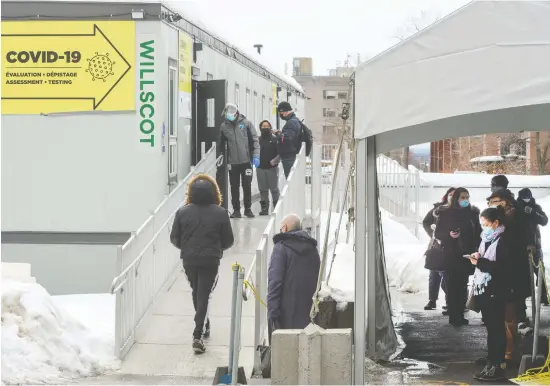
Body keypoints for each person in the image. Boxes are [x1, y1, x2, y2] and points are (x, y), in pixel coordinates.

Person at [169, 174, 234, 354]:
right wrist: (216, 249)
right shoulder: (221, 213)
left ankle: (203, 324)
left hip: (189, 259)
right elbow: (229, 240)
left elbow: (174, 237)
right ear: (214, 193)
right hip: (210, 259)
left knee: (197, 291)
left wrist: (187, 247)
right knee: (203, 294)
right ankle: (198, 333)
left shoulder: (182, 212)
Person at [487, 188, 531, 363]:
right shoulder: (494, 217)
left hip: (513, 270)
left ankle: (510, 352)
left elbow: (522, 238)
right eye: (492, 201)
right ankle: (498, 351)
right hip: (496, 270)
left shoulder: (516, 216)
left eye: (497, 201)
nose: (494, 204)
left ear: (506, 201)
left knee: (509, 313)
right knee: (496, 315)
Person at [469, 206, 512, 382]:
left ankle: (497, 364)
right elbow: (486, 259)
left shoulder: (504, 241)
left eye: (486, 224)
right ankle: (492, 360)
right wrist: (477, 257)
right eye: (482, 224)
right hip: (486, 290)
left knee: (496, 328)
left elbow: (502, 269)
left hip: (497, 290)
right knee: (491, 327)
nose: (484, 228)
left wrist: (480, 262)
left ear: (496, 223)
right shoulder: (487, 238)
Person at [434, 187, 481, 326]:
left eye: (467, 197)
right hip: (451, 253)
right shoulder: (446, 213)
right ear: (456, 198)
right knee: (453, 285)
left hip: (467, 254)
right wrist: (449, 235)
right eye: (462, 197)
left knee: (462, 285)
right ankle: (454, 315)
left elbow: (478, 231)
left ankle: (460, 312)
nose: (465, 200)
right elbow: (438, 233)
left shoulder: (472, 213)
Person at [267, 213, 320, 334]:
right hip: (309, 311)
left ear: (284, 228)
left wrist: (273, 311)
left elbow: (275, 281)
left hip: (286, 313)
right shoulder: (313, 248)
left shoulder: (281, 248)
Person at [218, 103, 260, 219]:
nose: (229, 116)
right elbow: (221, 144)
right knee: (234, 186)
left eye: (231, 114)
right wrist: (222, 157)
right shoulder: (224, 126)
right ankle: (236, 210)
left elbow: (255, 140)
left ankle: (247, 209)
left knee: (247, 185)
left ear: (236, 113)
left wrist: (256, 156)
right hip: (233, 162)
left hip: (246, 161)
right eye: (227, 114)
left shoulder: (246, 124)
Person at [422, 187, 456, 311]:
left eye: (455, 195)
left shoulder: (461, 210)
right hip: (436, 246)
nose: (452, 196)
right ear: (446, 196)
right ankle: (432, 300)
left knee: (449, 275)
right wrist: (433, 234)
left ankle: (450, 300)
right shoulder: (438, 209)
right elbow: (426, 222)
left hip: (452, 247)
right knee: (434, 274)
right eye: (450, 194)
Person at [517, 188, 549, 305]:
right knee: (522, 273)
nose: (526, 199)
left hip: (536, 245)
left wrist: (533, 212)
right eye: (524, 197)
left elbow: (544, 220)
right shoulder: (516, 208)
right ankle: (523, 298)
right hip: (521, 246)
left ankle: (543, 296)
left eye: (528, 196)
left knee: (540, 270)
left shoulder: (535, 207)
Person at [257, 120, 281, 216]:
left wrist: (275, 161)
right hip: (260, 168)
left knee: (274, 189)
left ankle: (276, 208)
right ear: (260, 128)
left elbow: (280, 153)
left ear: (270, 127)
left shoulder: (275, 139)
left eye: (267, 126)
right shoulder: (258, 140)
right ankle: (264, 209)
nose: (265, 127)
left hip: (272, 168)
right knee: (263, 190)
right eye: (263, 126)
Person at [275, 101, 302, 178]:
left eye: (281, 113)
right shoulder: (295, 121)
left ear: (286, 112)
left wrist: (277, 134)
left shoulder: (291, 122)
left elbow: (287, 139)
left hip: (289, 156)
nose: (281, 115)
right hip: (292, 154)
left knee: (290, 178)